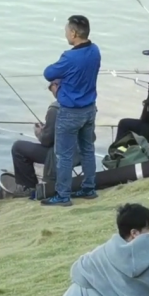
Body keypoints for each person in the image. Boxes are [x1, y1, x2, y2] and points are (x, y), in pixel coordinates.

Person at [42, 15, 102, 207]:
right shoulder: (95, 50)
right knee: (87, 150)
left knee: (64, 155)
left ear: (74, 33)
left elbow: (48, 73)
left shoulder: (69, 57)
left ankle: (63, 195)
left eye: (67, 30)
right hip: (89, 109)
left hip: (70, 112)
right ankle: (89, 188)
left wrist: (57, 87)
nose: (66, 34)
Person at [3, 81, 62, 198]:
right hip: (80, 153)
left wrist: (39, 132)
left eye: (51, 89)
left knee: (18, 147)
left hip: (59, 154)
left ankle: (29, 188)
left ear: (56, 85)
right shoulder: (83, 102)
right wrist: (48, 128)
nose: (52, 92)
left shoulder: (55, 108)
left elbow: (47, 141)